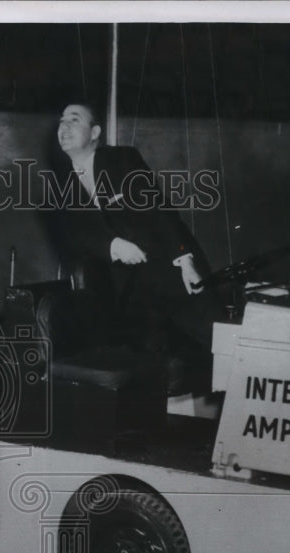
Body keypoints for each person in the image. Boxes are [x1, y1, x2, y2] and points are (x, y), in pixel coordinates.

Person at [50, 102, 224, 393]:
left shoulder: (122, 159)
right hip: (131, 297)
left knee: (220, 346)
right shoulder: (60, 186)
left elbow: (159, 212)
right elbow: (76, 233)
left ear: (95, 132)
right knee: (148, 377)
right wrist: (113, 245)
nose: (63, 127)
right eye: (61, 120)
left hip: (174, 272)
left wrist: (185, 261)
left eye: (74, 119)